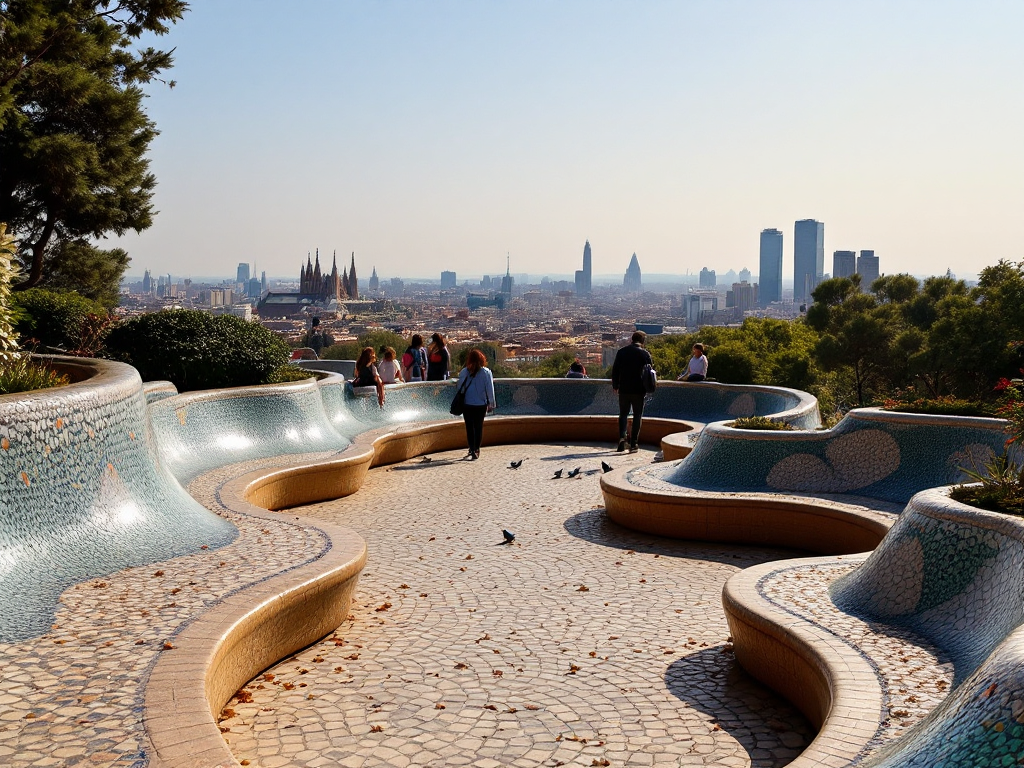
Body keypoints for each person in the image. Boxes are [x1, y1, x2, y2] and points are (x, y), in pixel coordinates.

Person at [611, 331, 653, 453]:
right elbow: (650, 372)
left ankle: (622, 438)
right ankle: (634, 443)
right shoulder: (645, 354)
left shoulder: (622, 352)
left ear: (632, 339)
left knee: (623, 414)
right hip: (638, 390)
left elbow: (615, 370)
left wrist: (615, 385)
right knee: (637, 415)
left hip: (624, 388)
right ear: (642, 341)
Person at [455, 348, 496, 461]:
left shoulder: (464, 372)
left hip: (467, 404)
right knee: (478, 427)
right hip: (480, 404)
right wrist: (491, 403)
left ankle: (471, 447)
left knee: (469, 427)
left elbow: (460, 388)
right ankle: (476, 449)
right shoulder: (486, 372)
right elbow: (489, 389)